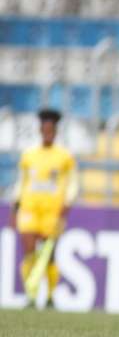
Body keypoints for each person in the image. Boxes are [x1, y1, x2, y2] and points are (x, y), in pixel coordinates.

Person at [9, 109, 78, 308]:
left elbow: (72, 183)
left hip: (52, 211)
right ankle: (30, 294)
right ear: (40, 130)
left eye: (51, 130)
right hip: (29, 209)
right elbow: (21, 183)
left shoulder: (65, 156)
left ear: (55, 131)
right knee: (29, 253)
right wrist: (15, 209)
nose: (48, 132)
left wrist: (68, 202)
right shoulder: (28, 155)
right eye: (45, 129)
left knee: (49, 256)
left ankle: (49, 296)